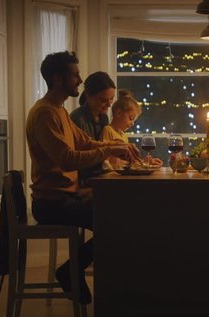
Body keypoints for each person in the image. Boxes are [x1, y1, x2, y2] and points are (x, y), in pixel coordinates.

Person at [26, 51, 141, 304]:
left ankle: (120, 293)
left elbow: (85, 142)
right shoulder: (45, 113)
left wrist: (112, 146)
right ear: (58, 79)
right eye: (75, 75)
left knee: (124, 217)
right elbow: (67, 158)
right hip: (52, 202)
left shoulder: (59, 111)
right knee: (117, 224)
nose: (80, 80)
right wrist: (109, 149)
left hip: (67, 196)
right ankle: (72, 273)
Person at [69, 71, 117, 184]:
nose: (109, 104)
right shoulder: (77, 118)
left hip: (99, 176)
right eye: (103, 100)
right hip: (82, 180)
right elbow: (77, 157)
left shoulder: (104, 117)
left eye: (111, 98)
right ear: (88, 95)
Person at [101, 89, 162, 167]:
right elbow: (105, 159)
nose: (132, 123)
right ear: (118, 113)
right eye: (131, 118)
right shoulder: (108, 130)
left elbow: (128, 163)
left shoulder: (124, 136)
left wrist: (144, 162)